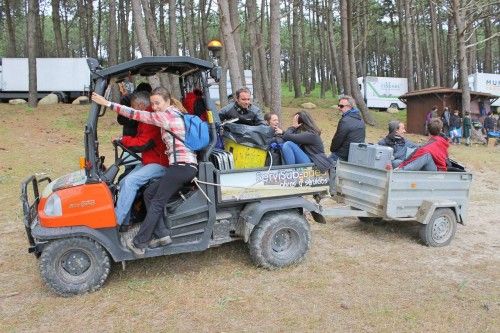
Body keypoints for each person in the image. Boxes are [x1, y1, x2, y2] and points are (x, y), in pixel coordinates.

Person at [92, 87, 198, 257]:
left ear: (167, 101)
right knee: (149, 194)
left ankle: (139, 243)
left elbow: (135, 114)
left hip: (183, 166)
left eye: (157, 103)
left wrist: (108, 103)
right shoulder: (172, 113)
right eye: (153, 103)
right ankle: (163, 235)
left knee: (156, 202)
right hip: (179, 166)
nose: (154, 107)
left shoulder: (166, 116)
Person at [114, 91, 169, 230]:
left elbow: (143, 143)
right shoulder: (145, 120)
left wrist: (123, 140)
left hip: (160, 163)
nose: (132, 111)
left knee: (130, 181)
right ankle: (125, 222)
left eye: (133, 107)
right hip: (150, 160)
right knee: (122, 182)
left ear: (139, 105)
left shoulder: (151, 120)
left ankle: (115, 223)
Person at [329, 95, 366, 162]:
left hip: (342, 155)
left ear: (350, 107)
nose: (339, 108)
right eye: (338, 105)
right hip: (356, 155)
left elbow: (338, 139)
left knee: (322, 167)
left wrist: (332, 150)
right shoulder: (360, 119)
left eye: (341, 106)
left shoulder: (345, 120)